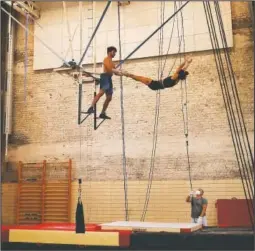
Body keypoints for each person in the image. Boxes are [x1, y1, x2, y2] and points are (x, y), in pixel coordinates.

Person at [86, 46, 123, 119]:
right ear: (109, 52)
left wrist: (122, 73)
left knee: (109, 97)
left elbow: (115, 72)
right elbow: (110, 69)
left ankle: (102, 113)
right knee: (101, 93)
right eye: (113, 52)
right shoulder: (106, 59)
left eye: (115, 52)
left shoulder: (112, 62)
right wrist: (117, 71)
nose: (114, 53)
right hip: (105, 77)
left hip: (109, 78)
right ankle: (91, 107)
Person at [121, 57, 192, 90]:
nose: (183, 71)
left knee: (139, 78)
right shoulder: (177, 80)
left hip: (154, 84)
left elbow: (179, 68)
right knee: (139, 79)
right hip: (156, 86)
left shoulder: (174, 77)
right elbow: (182, 70)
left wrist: (185, 61)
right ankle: (127, 75)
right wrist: (188, 63)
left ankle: (126, 74)